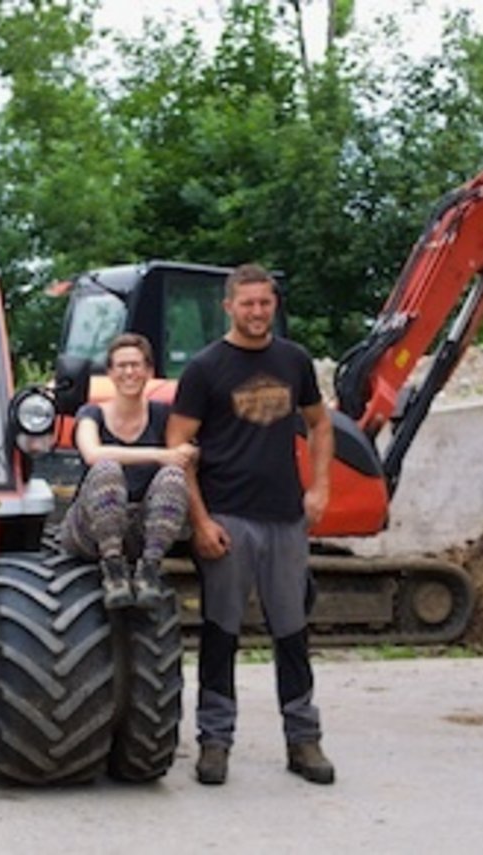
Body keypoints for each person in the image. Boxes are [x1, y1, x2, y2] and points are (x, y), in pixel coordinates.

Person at [166, 263, 335, 786]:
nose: (257, 312)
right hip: (229, 521)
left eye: (265, 303)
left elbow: (320, 423)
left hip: (286, 518)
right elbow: (179, 451)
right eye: (248, 303)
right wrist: (199, 520)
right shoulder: (204, 369)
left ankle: (303, 741)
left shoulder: (294, 360)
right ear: (229, 307)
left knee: (292, 632)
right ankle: (214, 744)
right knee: (221, 634)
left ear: (274, 304)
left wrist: (321, 486)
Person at [60, 333, 196, 609]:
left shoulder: (164, 415)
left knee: (173, 476)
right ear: (110, 372)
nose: (129, 372)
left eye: (136, 365)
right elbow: (93, 453)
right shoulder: (91, 414)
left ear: (149, 371)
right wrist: (161, 455)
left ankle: (149, 570)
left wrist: (188, 452)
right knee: (107, 468)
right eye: (122, 366)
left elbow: (186, 452)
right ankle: (114, 571)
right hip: (91, 527)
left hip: (142, 525)